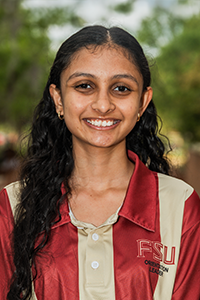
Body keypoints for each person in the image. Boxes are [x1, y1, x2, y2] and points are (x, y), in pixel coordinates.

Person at [0, 25, 199, 300]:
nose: (103, 104)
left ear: (143, 101)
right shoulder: (13, 205)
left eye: (121, 88)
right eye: (84, 86)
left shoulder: (180, 205)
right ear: (58, 98)